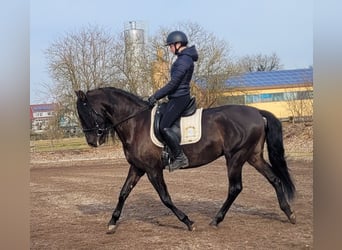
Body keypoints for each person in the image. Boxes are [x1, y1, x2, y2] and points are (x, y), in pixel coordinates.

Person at [148, 31, 199, 171]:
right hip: (176, 97)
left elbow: (174, 84)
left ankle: (180, 157)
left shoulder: (184, 60)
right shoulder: (184, 58)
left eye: (171, 45)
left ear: (178, 44)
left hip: (180, 98)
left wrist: (155, 96)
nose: (170, 48)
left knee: (164, 126)